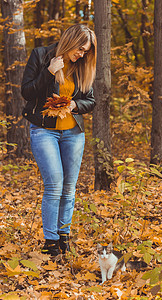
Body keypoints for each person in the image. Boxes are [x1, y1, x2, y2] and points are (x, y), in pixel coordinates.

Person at [21, 24, 97, 256]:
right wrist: (49, 73)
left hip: (73, 133)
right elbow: (26, 93)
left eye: (86, 51)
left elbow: (91, 101)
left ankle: (64, 237)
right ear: (71, 41)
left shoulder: (82, 66)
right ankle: (51, 241)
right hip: (44, 130)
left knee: (69, 188)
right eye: (81, 49)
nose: (82, 54)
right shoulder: (41, 55)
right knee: (54, 185)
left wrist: (76, 104)